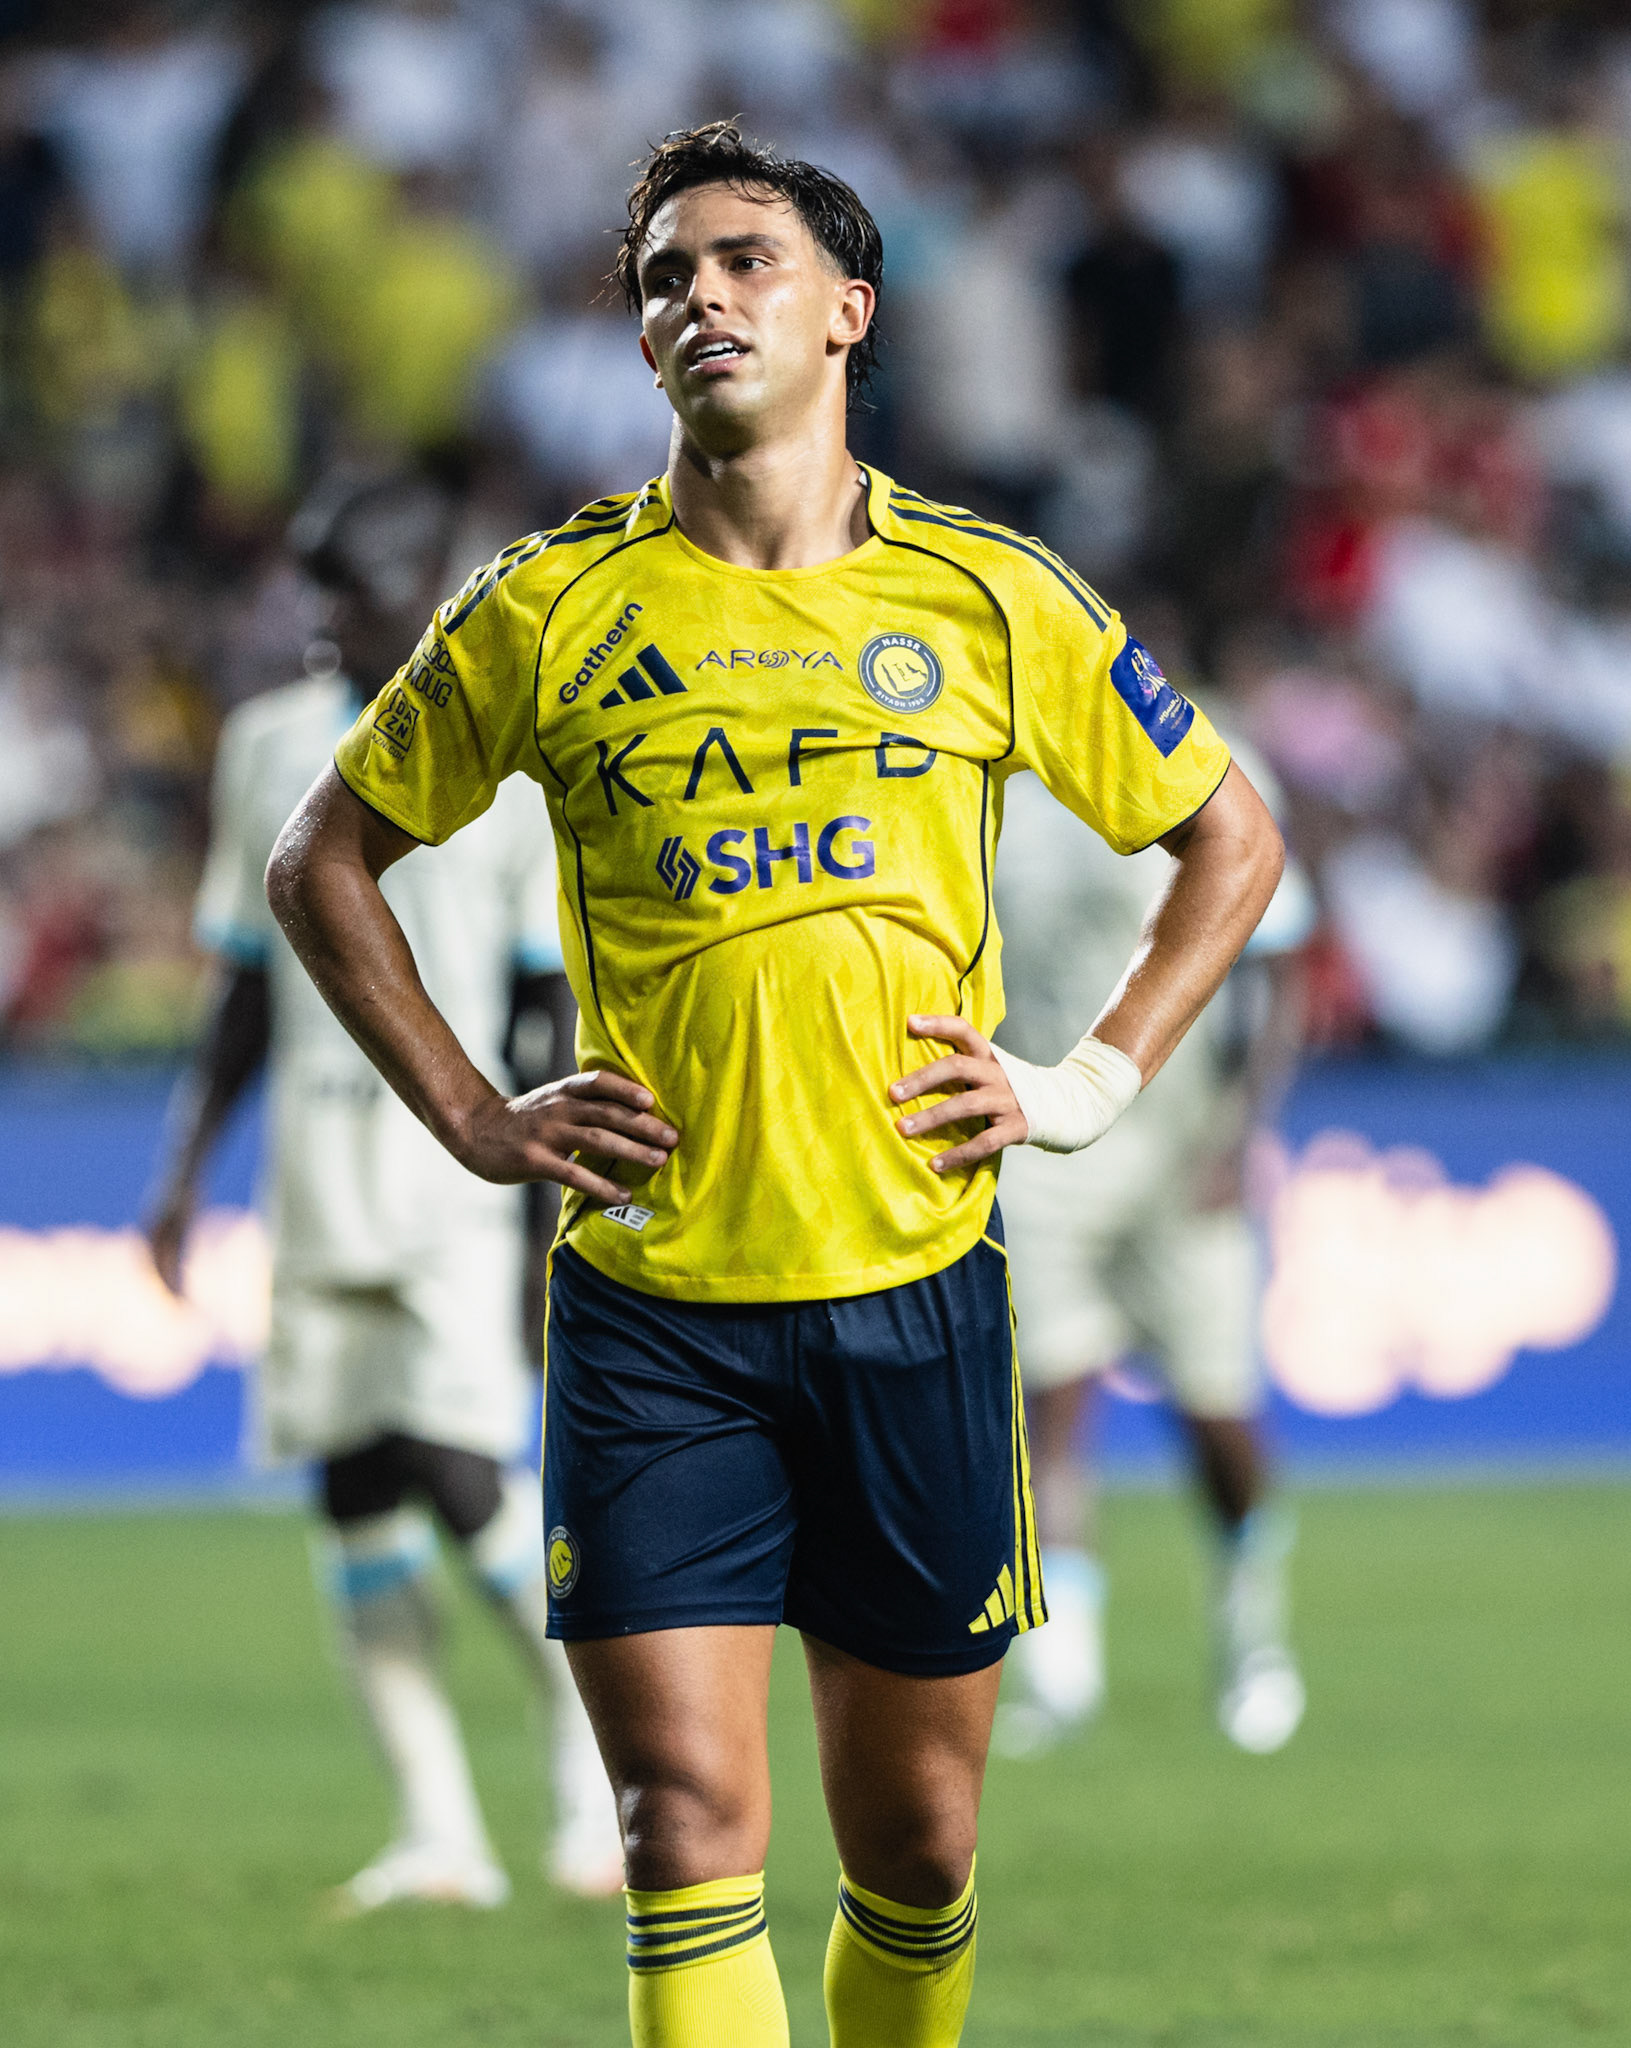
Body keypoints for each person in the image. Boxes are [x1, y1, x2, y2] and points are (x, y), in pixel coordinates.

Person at [264, 123, 1284, 2048]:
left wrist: (1092, 1077)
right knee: (680, 1826)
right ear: (644, 345)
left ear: (845, 310)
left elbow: (1227, 833)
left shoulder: (988, 593)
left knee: (911, 1839)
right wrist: (477, 1114)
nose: (699, 293)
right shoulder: (548, 604)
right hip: (653, 1316)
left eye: (741, 258)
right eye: (662, 275)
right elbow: (318, 858)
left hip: (912, 1287)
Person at [146, 468, 621, 1911]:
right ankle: (437, 1831)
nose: (319, 615)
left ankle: (590, 1784)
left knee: (462, 1474)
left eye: (345, 585)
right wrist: (182, 1171)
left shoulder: (511, 753)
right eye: (312, 584)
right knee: (352, 1486)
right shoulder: (269, 745)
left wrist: (552, 1214)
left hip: (458, 1178)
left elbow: (546, 1010)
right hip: (317, 1167)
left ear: (423, 583)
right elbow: (244, 974)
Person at [992, 721, 1315, 1758]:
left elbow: (1280, 964)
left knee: (1216, 1412)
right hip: (1041, 1134)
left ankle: (1250, 1620)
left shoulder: (1207, 754)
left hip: (1181, 1139)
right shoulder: (981, 773)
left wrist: (1243, 1129)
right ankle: (1064, 1671)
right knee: (1053, 1403)